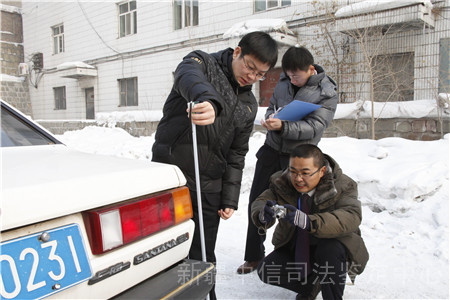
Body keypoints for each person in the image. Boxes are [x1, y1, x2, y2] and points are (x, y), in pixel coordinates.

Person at [151, 31, 278, 299]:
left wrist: (229, 197)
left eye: (260, 74)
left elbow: (237, 153)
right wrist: (208, 100)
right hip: (172, 176)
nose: (252, 77)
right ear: (237, 52)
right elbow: (188, 77)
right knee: (166, 250)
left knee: (205, 254)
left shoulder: (248, 104)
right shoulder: (202, 63)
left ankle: (207, 294)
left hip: (210, 185)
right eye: (250, 67)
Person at [238, 46, 339, 274]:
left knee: (295, 211)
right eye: (288, 75)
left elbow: (316, 126)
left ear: (310, 69)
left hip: (300, 160)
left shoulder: (326, 92)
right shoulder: (284, 82)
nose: (292, 80)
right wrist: (270, 118)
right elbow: (272, 106)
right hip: (271, 150)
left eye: (297, 76)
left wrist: (284, 126)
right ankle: (253, 256)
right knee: (257, 201)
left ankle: (296, 261)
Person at [251, 144, 369, 299]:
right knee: (267, 270)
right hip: (297, 246)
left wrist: (308, 221)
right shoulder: (282, 181)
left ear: (322, 171)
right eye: (293, 171)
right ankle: (311, 287)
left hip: (329, 246)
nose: (298, 179)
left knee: (330, 250)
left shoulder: (342, 185)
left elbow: (351, 215)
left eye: (305, 173)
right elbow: (262, 200)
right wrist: (262, 214)